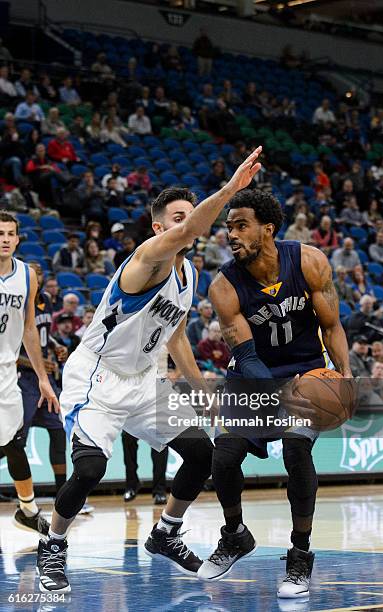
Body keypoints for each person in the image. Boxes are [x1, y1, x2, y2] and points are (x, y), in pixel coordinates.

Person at [36, 147, 262, 593]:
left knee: (202, 454)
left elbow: (176, 338)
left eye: (189, 215)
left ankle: (165, 532)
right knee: (89, 470)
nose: (188, 222)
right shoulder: (146, 259)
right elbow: (198, 226)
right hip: (97, 377)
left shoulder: (189, 274)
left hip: (143, 380)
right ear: (159, 227)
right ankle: (54, 544)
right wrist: (231, 189)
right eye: (179, 217)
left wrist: (205, 397)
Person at [198, 189, 353, 600]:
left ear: (267, 228)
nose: (230, 234)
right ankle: (234, 534)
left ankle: (300, 554)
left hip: (305, 372)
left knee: (295, 451)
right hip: (253, 376)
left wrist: (346, 374)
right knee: (224, 457)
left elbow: (332, 326)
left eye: (240, 225)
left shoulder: (308, 260)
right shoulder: (224, 286)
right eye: (228, 226)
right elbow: (246, 356)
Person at [0, 211, 59, 536]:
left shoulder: (26, 275)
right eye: (0, 233)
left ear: (18, 239)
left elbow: (28, 329)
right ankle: (28, 508)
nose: (5, 238)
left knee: (12, 442)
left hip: (7, 372)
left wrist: (42, 377)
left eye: (10, 233)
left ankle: (27, 510)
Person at [17, 263, 68, 496]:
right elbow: (10, 353)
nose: (35, 279)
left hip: (45, 380)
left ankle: (63, 494)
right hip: (23, 381)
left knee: (58, 432)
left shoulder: (45, 299)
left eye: (39, 275)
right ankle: (23, 495)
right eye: (32, 275)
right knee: (16, 439)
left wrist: (57, 346)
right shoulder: (16, 305)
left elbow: (45, 332)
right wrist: (37, 364)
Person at [121, 432, 168, 505]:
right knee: (127, 434)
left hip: (155, 422)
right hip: (134, 421)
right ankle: (131, 485)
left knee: (160, 438)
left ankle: (159, 491)